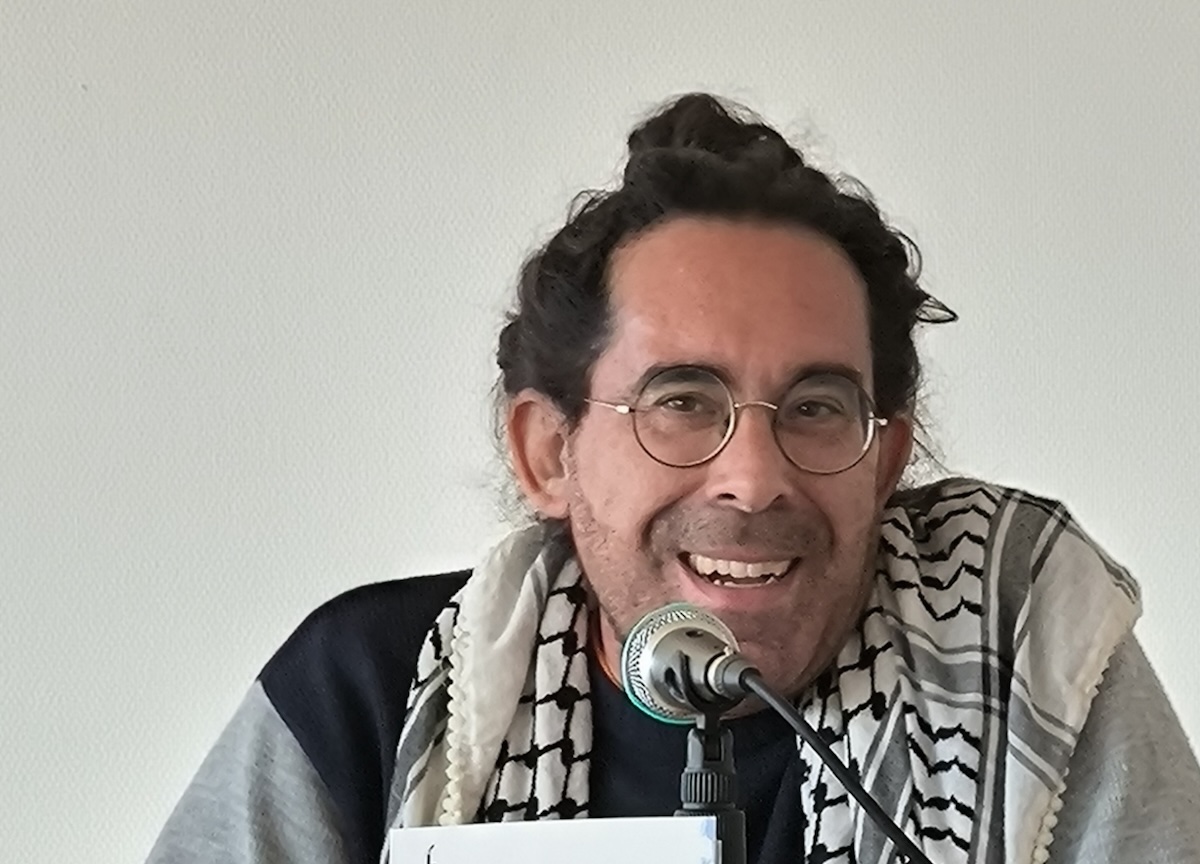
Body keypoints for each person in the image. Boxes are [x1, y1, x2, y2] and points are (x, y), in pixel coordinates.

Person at [146, 94, 1200, 864]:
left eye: (818, 407)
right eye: (683, 401)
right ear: (547, 452)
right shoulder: (367, 693)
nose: (754, 479)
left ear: (885, 459)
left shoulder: (1031, 657)